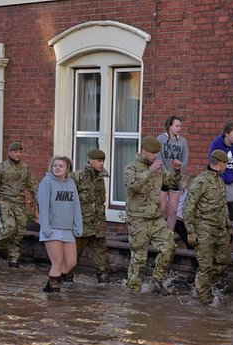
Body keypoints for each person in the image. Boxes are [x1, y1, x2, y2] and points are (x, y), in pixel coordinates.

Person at [123, 136, 177, 295]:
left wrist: (177, 171)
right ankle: (133, 291)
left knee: (169, 247)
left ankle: (157, 281)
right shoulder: (131, 167)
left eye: (157, 154)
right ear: (144, 151)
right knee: (139, 257)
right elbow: (132, 186)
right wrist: (151, 170)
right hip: (138, 219)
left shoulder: (158, 167)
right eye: (152, 153)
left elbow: (171, 184)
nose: (155, 156)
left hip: (155, 217)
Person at [183, 149, 233, 304]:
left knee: (224, 262)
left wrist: (229, 225)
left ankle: (200, 285)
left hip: (220, 230)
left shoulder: (219, 180)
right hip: (203, 230)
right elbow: (188, 208)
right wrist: (190, 231)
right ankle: (203, 301)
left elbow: (223, 206)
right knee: (205, 266)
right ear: (220, 163)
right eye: (226, 163)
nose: (227, 166)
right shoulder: (201, 181)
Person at [0, 141, 38, 268]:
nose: (18, 154)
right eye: (15, 152)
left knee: (19, 232)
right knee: (10, 227)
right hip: (5, 201)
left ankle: (14, 259)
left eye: (20, 152)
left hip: (20, 203)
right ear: (9, 152)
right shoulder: (1, 167)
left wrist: (39, 201)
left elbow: (33, 187)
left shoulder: (26, 168)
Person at [37, 155, 82, 292]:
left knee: (70, 263)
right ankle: (54, 300)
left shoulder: (71, 183)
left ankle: (49, 286)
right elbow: (43, 207)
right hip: (52, 229)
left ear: (67, 168)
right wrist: (46, 228)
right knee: (57, 263)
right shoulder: (47, 182)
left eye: (60, 166)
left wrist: (78, 226)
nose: (57, 168)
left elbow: (76, 206)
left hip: (68, 230)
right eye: (55, 165)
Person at [70, 148, 111, 282]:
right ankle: (64, 282)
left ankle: (103, 281)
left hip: (97, 228)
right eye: (99, 161)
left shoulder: (100, 178)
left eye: (103, 161)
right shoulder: (77, 177)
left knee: (102, 260)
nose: (101, 164)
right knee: (71, 258)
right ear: (90, 160)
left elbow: (100, 202)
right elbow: (69, 201)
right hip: (81, 227)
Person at [157, 115, 189, 233]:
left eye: (180, 126)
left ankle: (169, 234)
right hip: (163, 179)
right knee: (162, 208)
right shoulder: (161, 139)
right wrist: (166, 174)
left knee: (173, 210)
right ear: (169, 126)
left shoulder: (182, 141)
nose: (179, 128)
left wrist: (178, 169)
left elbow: (185, 160)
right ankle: (158, 233)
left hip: (176, 179)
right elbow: (158, 158)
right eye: (176, 126)